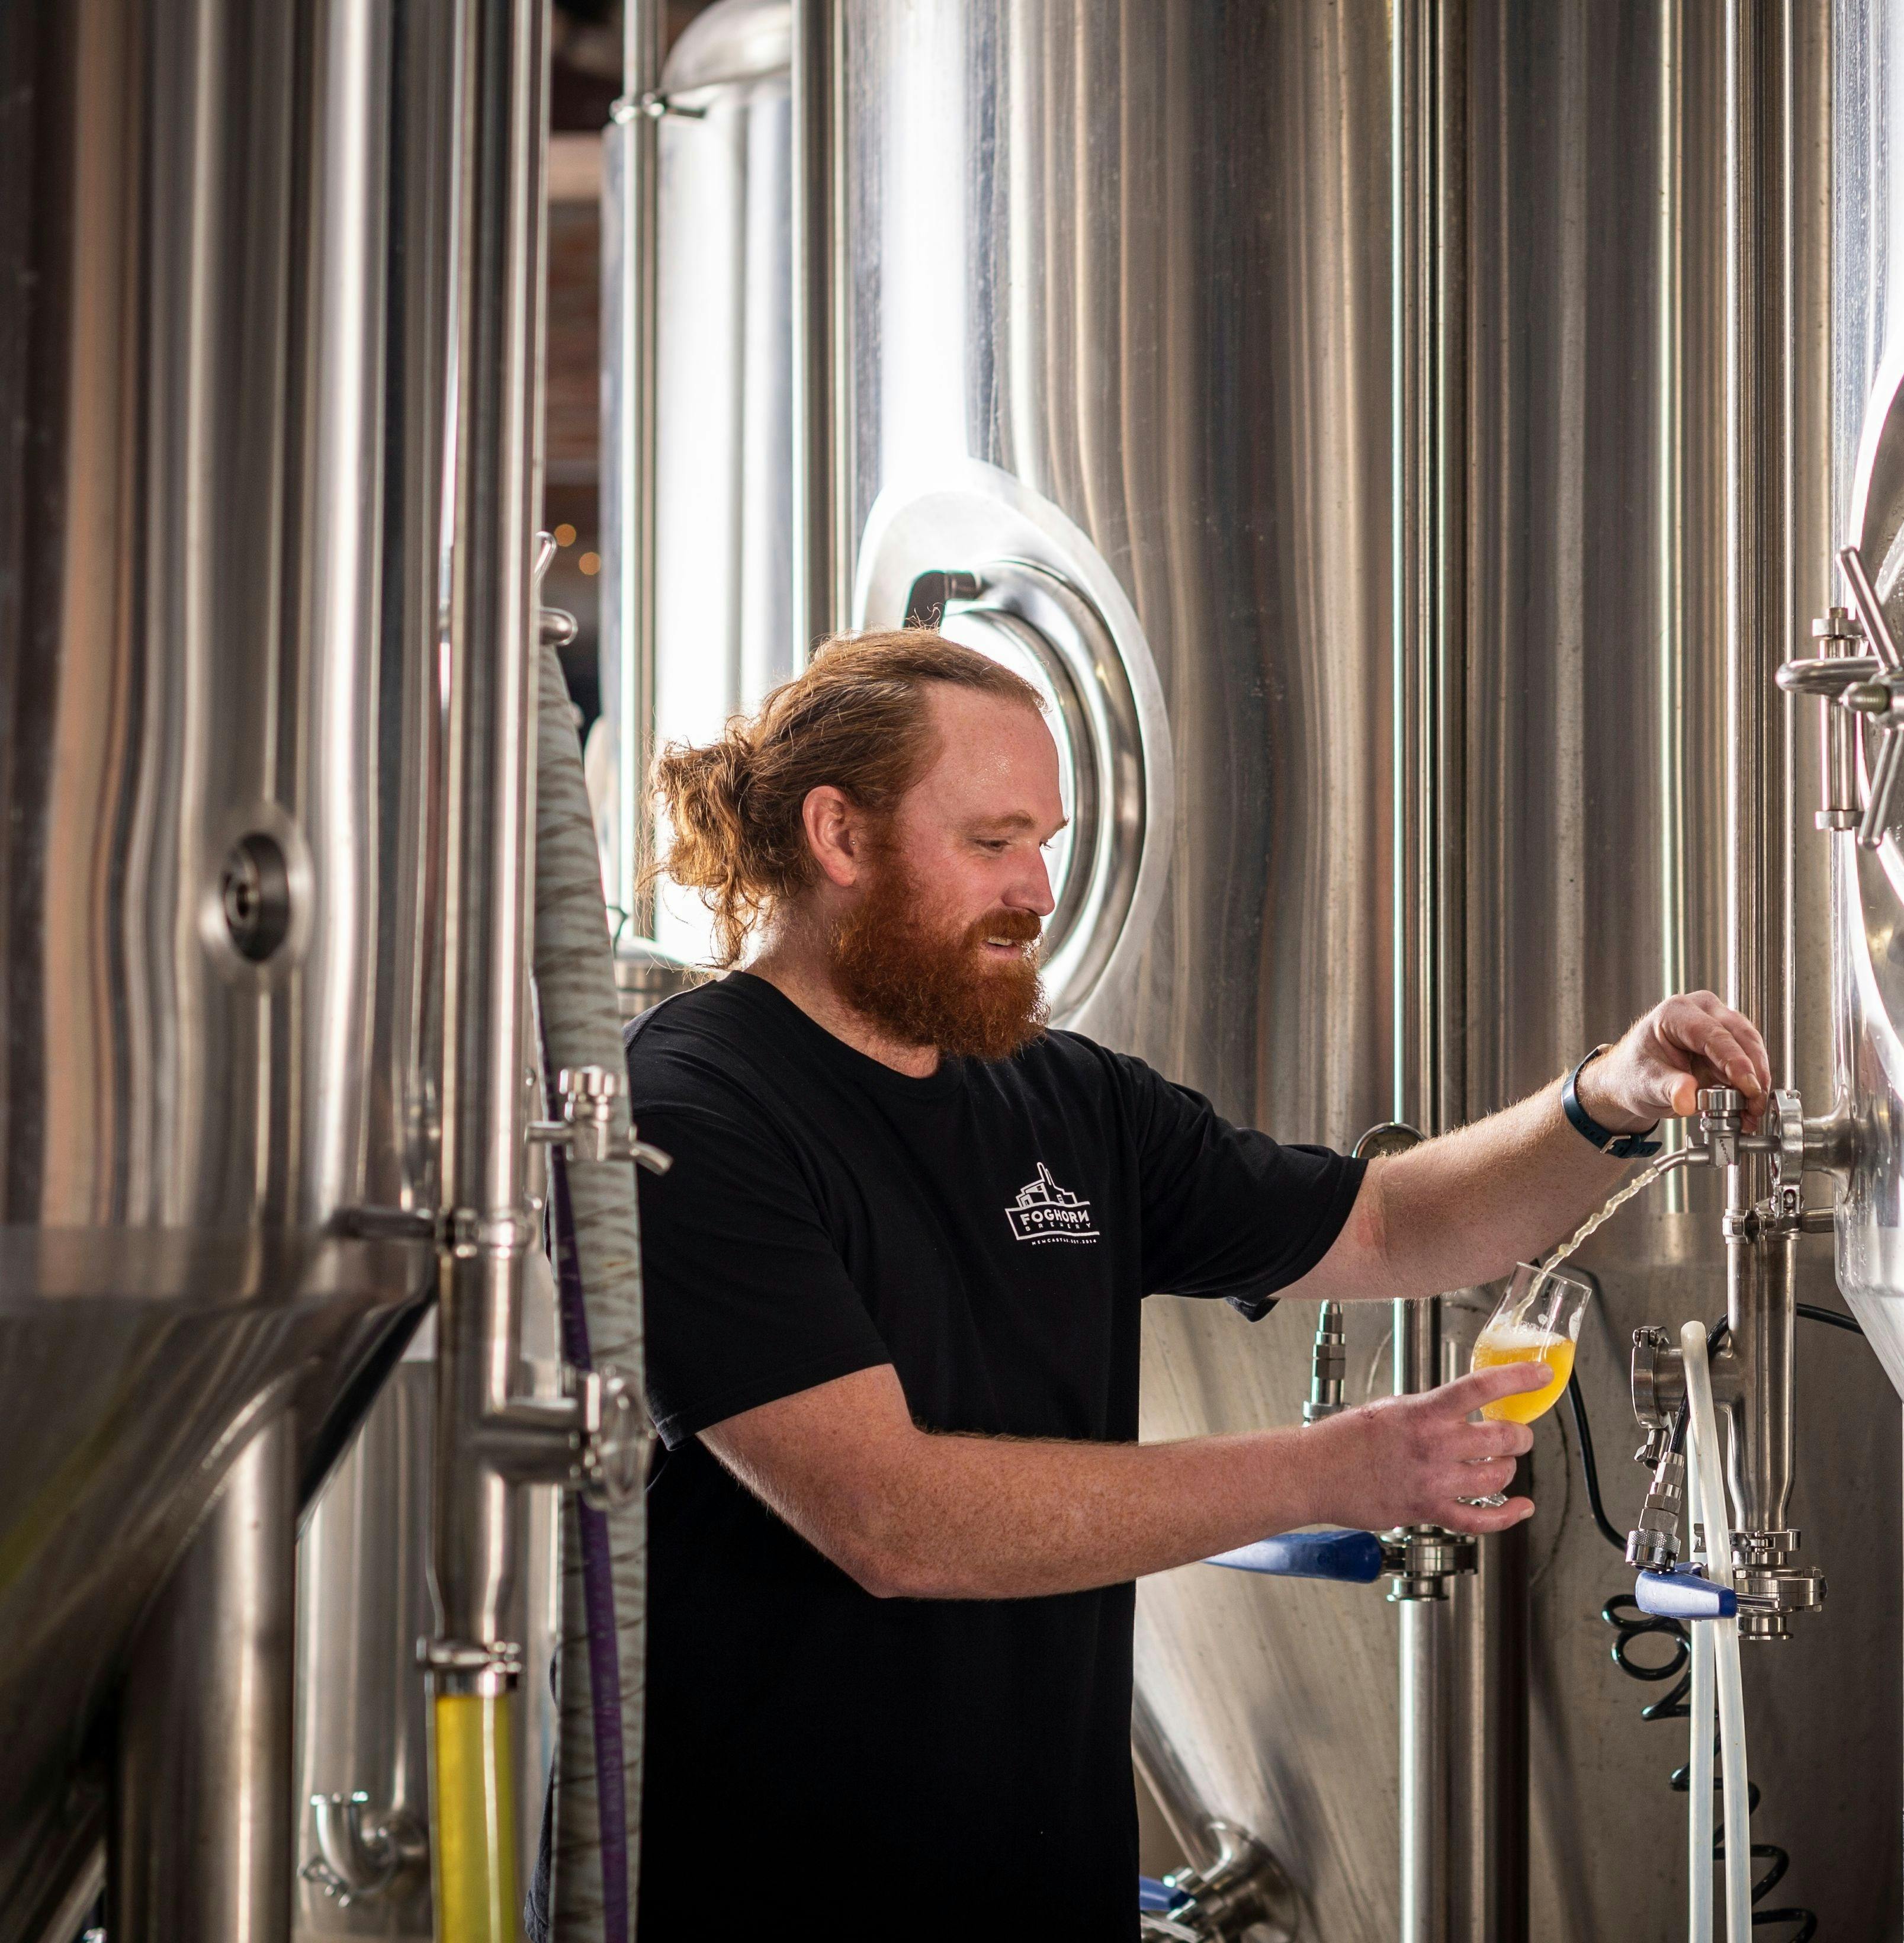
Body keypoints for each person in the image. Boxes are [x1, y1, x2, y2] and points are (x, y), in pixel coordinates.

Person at [626, 629, 1770, 1935]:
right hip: (768, 1888)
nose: (1040, 888)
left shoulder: (1064, 1095)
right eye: (995, 841)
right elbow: (896, 1519)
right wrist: (1332, 1469)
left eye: (1047, 840)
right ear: (839, 834)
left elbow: (1389, 1227)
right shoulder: (691, 1111)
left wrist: (1603, 1098)